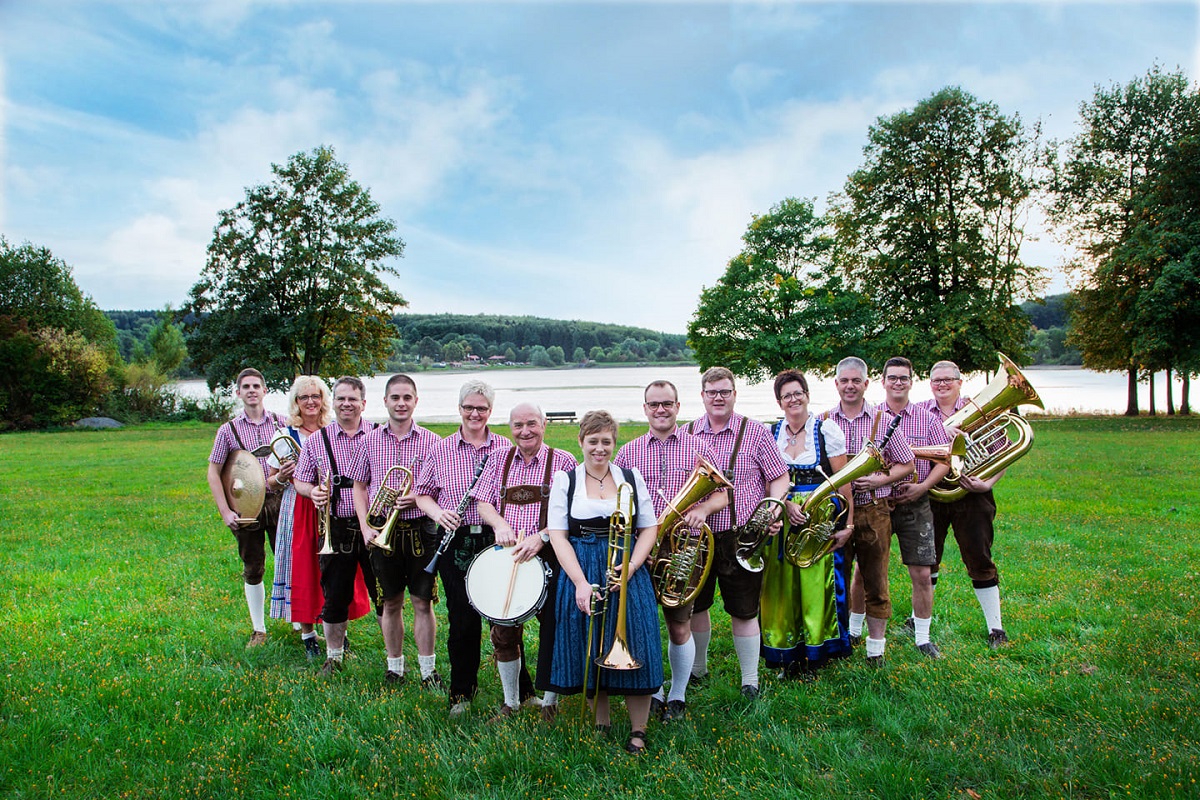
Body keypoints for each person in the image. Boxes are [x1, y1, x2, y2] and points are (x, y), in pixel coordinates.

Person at [547, 410, 662, 755]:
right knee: (591, 640)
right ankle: (602, 722)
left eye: (606, 442)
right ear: (580, 441)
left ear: (615, 442)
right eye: (593, 441)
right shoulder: (565, 481)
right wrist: (580, 583)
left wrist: (630, 567)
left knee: (636, 638)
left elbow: (649, 527)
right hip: (582, 567)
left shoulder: (630, 476)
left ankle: (639, 729)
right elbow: (557, 535)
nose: (600, 449)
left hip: (625, 568)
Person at [613, 379, 727, 722]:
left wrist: (703, 511)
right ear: (645, 408)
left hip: (681, 551)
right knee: (644, 624)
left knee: (680, 624)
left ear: (678, 407)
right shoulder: (627, 453)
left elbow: (723, 493)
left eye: (667, 403)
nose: (660, 410)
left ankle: (677, 693)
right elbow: (615, 501)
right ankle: (653, 690)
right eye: (654, 404)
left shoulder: (698, 447)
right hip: (640, 551)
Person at [684, 367, 789, 698]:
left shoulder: (755, 432)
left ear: (734, 394)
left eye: (724, 392)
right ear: (702, 395)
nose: (718, 397)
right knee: (695, 606)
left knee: (744, 609)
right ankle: (698, 668)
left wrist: (772, 508)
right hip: (696, 536)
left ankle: (750, 680)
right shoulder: (686, 434)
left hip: (740, 534)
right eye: (712, 392)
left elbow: (779, 477)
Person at [472, 403, 578, 721]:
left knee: (553, 629)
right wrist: (499, 524)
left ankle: (549, 702)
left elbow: (574, 513)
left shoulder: (563, 461)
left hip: (550, 553)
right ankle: (512, 702)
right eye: (518, 425)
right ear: (510, 428)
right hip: (507, 556)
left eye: (532, 423)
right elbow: (482, 503)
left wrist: (542, 536)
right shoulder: (498, 459)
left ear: (544, 424)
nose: (525, 431)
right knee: (503, 632)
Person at [414, 380, 511, 715]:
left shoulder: (504, 448)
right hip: (455, 541)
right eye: (469, 407)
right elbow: (422, 493)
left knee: (505, 618)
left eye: (481, 408)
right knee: (462, 619)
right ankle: (461, 694)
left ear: (490, 411)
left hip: (495, 538)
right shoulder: (440, 449)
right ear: (460, 409)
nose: (474, 413)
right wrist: (438, 512)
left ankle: (520, 691)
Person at [346, 374, 442, 687]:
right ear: (385, 401)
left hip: (420, 530)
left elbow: (440, 489)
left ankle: (428, 671)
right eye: (395, 398)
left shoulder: (432, 442)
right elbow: (359, 487)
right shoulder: (369, 440)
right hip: (380, 532)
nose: (401, 403)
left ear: (416, 401)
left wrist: (415, 496)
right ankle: (395, 668)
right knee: (390, 602)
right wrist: (364, 526)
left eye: (407, 398)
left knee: (421, 603)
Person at [823, 357, 914, 668]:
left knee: (876, 580)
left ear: (865, 384)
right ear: (836, 384)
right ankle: (837, 643)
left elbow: (907, 463)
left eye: (855, 381)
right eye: (844, 381)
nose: (850, 386)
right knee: (834, 580)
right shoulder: (822, 421)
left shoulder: (881, 419)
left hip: (874, 510)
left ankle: (876, 650)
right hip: (834, 513)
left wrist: (879, 479)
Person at [763, 369, 854, 676]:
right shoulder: (771, 432)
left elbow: (844, 482)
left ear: (807, 395)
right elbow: (767, 480)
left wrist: (848, 524)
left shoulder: (826, 430)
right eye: (787, 395)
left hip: (818, 516)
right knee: (782, 586)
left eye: (798, 393)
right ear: (779, 402)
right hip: (782, 515)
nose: (793, 399)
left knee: (817, 585)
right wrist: (786, 503)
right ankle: (786, 651)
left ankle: (816, 652)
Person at [918, 360, 1011, 648]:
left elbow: (1005, 451)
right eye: (936, 380)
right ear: (930, 383)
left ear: (960, 382)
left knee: (979, 557)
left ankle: (996, 629)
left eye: (948, 379)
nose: (942, 384)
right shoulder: (920, 412)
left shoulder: (980, 410)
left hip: (973, 494)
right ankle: (917, 620)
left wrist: (989, 484)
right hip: (933, 494)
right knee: (926, 560)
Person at [293, 376, 377, 676]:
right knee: (334, 594)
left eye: (352, 399)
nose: (346, 404)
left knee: (384, 593)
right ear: (335, 403)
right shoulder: (317, 440)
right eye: (341, 398)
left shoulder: (380, 435)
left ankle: (395, 658)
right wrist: (311, 491)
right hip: (336, 526)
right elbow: (300, 479)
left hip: (374, 525)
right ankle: (334, 657)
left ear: (363, 403)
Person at [205, 368, 286, 648]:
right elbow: (213, 473)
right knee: (253, 566)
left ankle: (301, 623)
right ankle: (259, 629)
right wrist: (225, 511)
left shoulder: (281, 423)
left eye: (257, 386)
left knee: (289, 563)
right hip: (245, 507)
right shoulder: (228, 430)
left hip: (280, 502)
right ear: (238, 393)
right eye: (246, 387)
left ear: (265, 391)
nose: (252, 390)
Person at [880, 356, 952, 659]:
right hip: (879, 501)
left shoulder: (928, 418)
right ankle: (856, 632)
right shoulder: (871, 417)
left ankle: (922, 637)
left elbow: (944, 460)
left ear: (912, 381)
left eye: (904, 378)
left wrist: (923, 487)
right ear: (882, 381)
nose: (898, 382)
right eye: (893, 377)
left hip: (917, 500)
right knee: (866, 572)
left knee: (922, 573)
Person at [266, 376, 333, 660]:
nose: (310, 402)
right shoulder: (284, 435)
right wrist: (281, 476)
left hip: (330, 507)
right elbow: (268, 482)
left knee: (332, 570)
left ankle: (333, 629)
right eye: (303, 397)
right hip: (297, 507)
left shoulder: (333, 431)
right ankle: (308, 634)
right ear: (295, 402)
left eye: (315, 396)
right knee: (302, 568)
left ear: (323, 400)